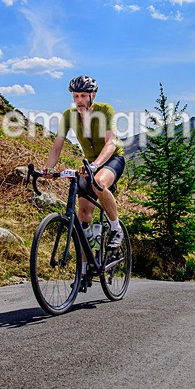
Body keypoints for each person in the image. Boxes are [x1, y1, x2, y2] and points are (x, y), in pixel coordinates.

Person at [44, 75, 126, 283]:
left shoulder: (104, 110)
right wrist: (47, 171)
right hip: (90, 164)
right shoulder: (69, 115)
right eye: (75, 95)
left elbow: (111, 142)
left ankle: (116, 229)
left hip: (112, 159)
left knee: (97, 182)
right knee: (82, 217)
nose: (79, 100)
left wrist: (96, 165)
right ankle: (84, 268)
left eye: (82, 95)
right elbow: (57, 147)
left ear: (93, 95)